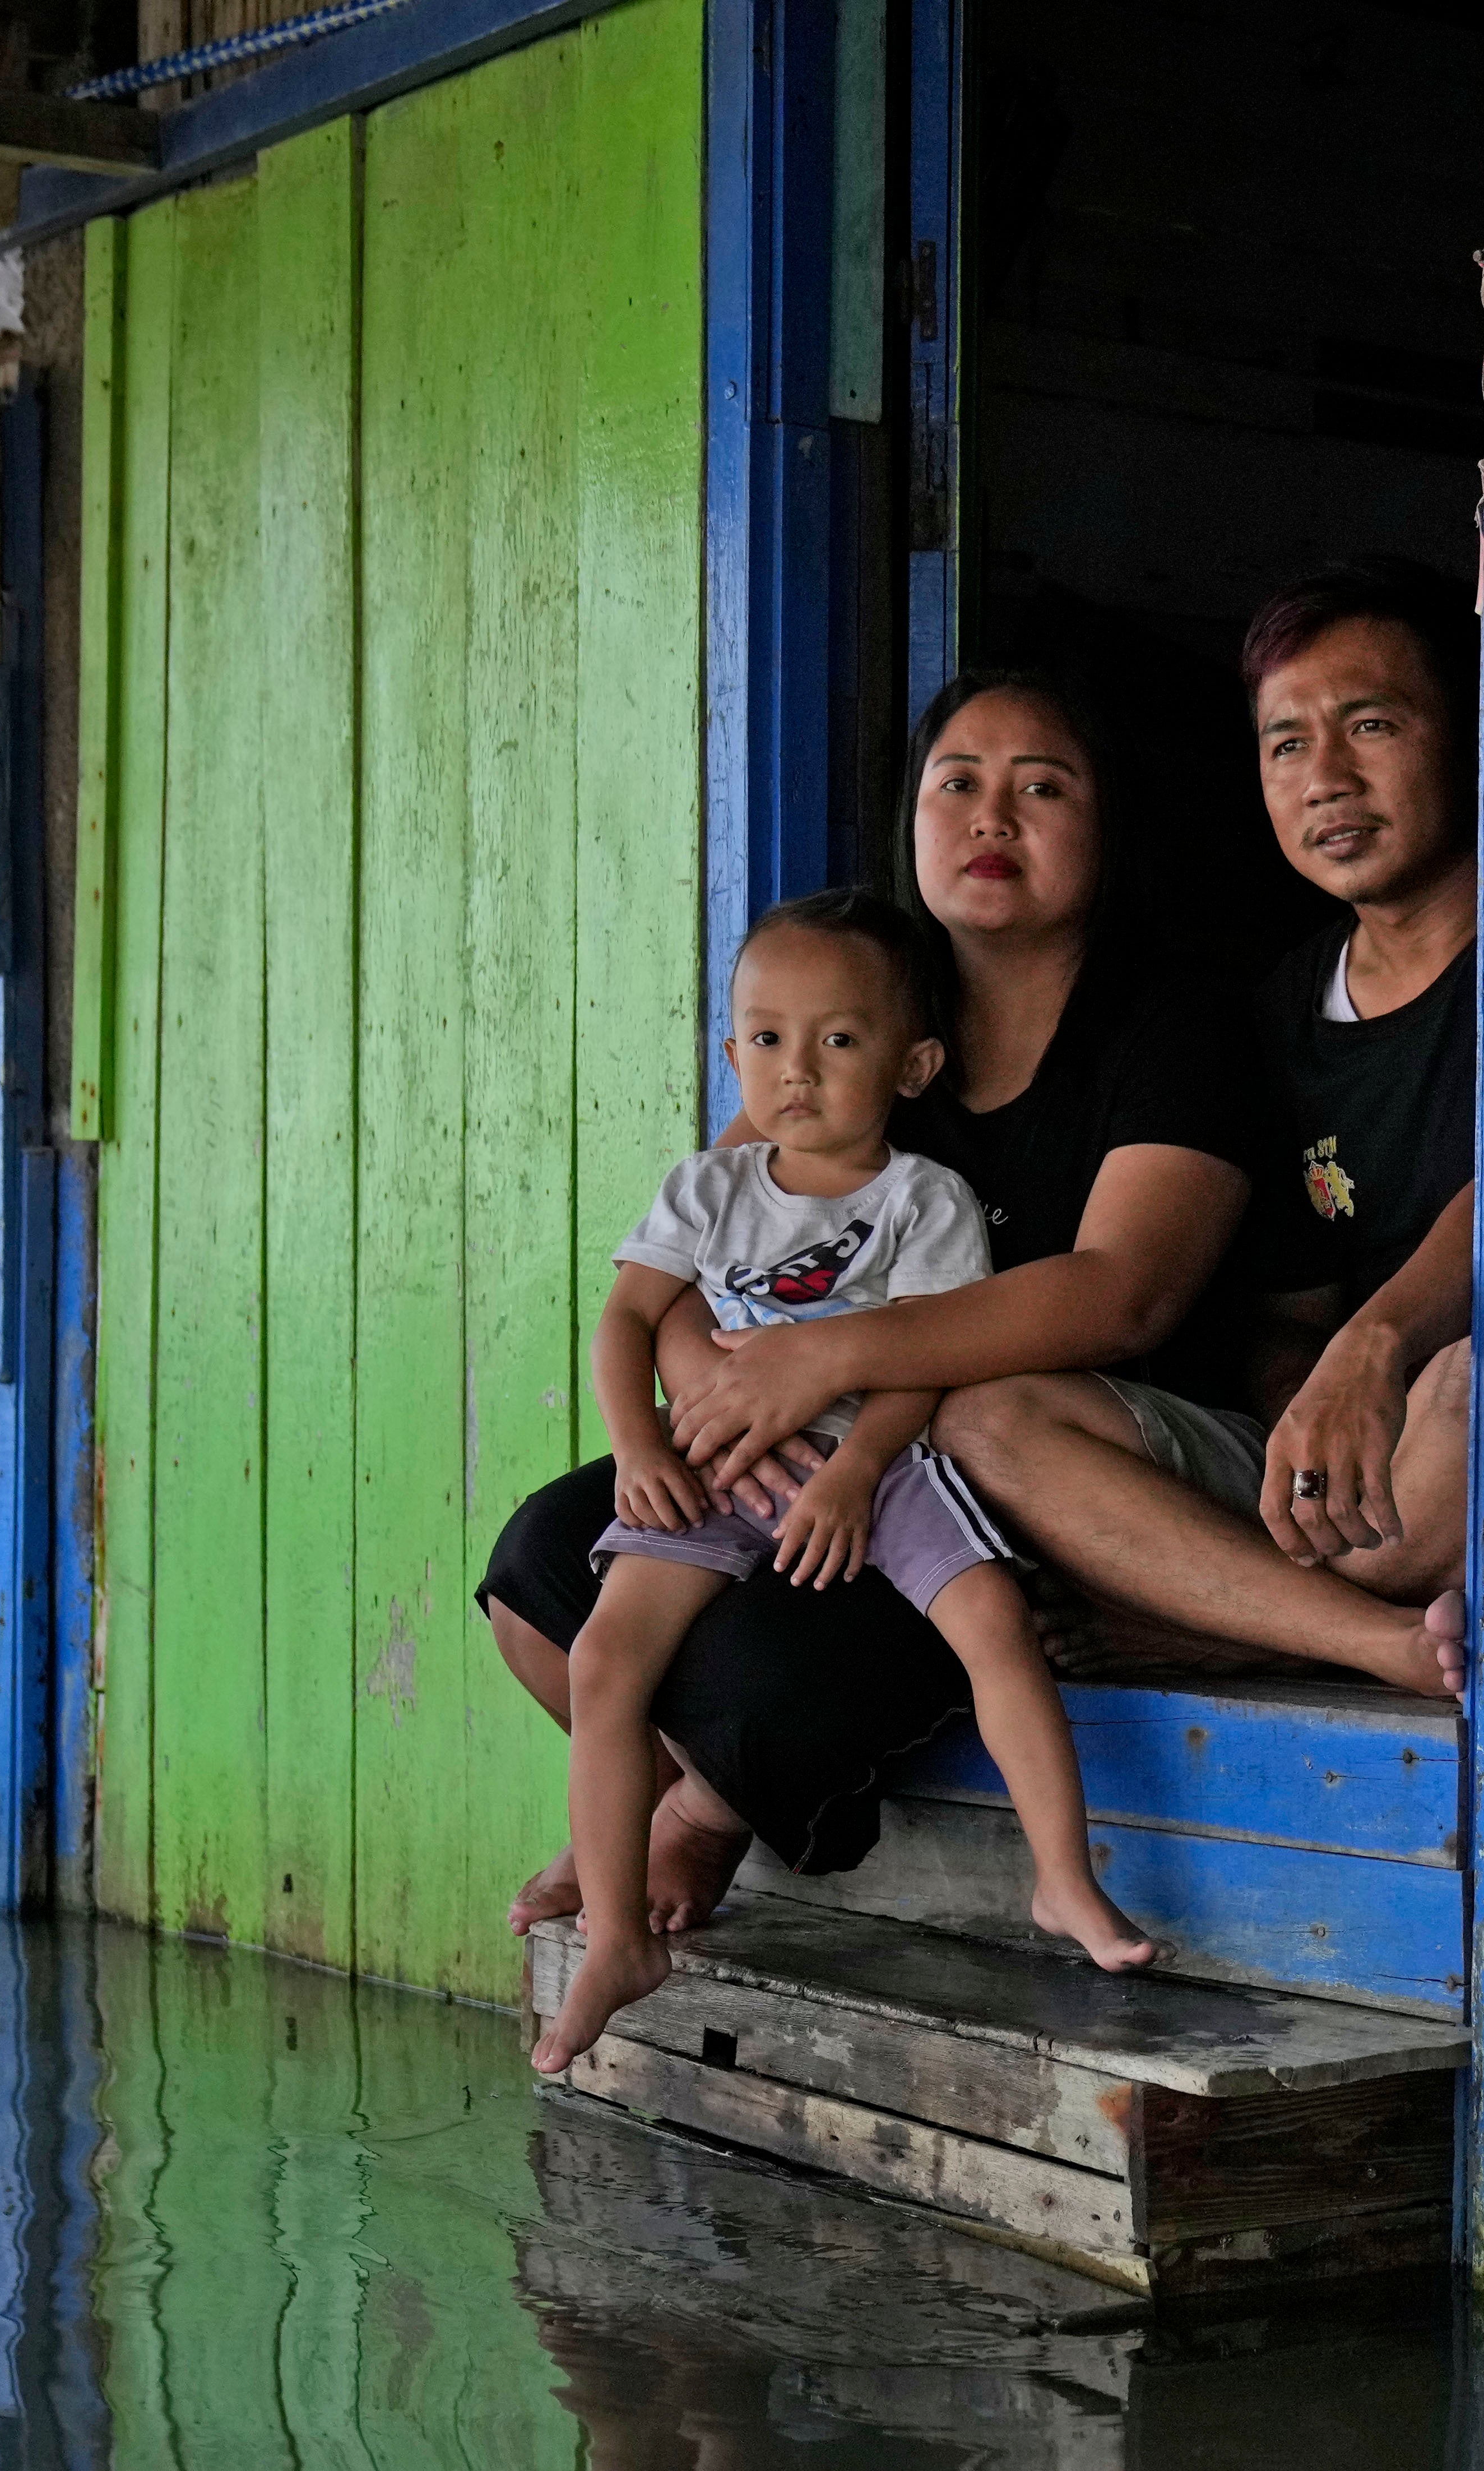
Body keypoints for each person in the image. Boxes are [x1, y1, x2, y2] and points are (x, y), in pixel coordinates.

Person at [477, 672, 1286, 1932]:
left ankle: (696, 1817)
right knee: (539, 1563)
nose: (991, 817)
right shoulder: (861, 1012)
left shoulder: (1170, 1024)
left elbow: (1122, 1295)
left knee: (766, 1679)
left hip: (1002, 1458)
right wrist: (707, 1389)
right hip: (815, 1433)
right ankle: (662, 1810)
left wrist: (821, 1364)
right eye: (956, 782)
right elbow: (713, 1226)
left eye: (1042, 787)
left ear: (1109, 825)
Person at [532, 890, 1158, 2071]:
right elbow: (626, 1320)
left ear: (913, 1064)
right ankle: (616, 1931)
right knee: (608, 1657)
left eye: (839, 1040)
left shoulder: (926, 1200)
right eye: (767, 1040)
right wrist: (640, 1449)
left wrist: (859, 1470)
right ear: (732, 1055)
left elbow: (924, 1358)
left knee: (993, 1624)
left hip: (879, 1458)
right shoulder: (706, 1189)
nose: (798, 1071)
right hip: (715, 1466)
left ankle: (1065, 1882)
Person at [930, 561, 1480, 1697]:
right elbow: (1287, 1315)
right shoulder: (1274, 1013)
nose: (1326, 776)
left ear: (1473, 730)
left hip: (1453, 1433)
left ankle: (1236, 1628)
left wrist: (1372, 1353)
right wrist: (1302, 1405)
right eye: (1286, 744)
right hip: (1348, 1478)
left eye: (1370, 725)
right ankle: (1337, 1621)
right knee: (989, 1420)